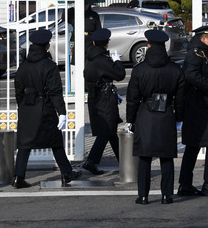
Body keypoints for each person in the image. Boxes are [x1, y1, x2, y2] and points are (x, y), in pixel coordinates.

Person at [12, 29, 82, 188]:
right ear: (47, 46)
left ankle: (18, 177)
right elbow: (55, 92)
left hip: (26, 108)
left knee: (24, 143)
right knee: (55, 141)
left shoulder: (22, 67)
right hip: (44, 107)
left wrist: (23, 106)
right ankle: (66, 172)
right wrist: (62, 113)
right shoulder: (50, 66)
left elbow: (18, 92)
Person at [126, 30, 186, 205]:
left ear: (149, 45)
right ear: (164, 47)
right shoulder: (175, 69)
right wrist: (179, 117)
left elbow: (132, 98)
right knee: (166, 156)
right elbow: (181, 98)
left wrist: (131, 119)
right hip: (166, 112)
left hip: (145, 112)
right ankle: (167, 195)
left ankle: (143, 196)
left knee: (144, 157)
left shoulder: (139, 70)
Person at [177, 24, 208, 197]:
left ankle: (185, 184)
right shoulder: (196, 54)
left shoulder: (200, 53)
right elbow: (190, 75)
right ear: (203, 38)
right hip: (199, 105)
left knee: (193, 145)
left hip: (198, 105)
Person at [83, 28, 126, 175]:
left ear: (94, 42)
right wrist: (118, 62)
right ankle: (91, 161)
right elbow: (120, 74)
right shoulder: (102, 60)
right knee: (107, 130)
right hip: (105, 98)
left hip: (96, 96)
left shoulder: (89, 58)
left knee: (110, 130)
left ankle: (124, 163)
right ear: (107, 44)